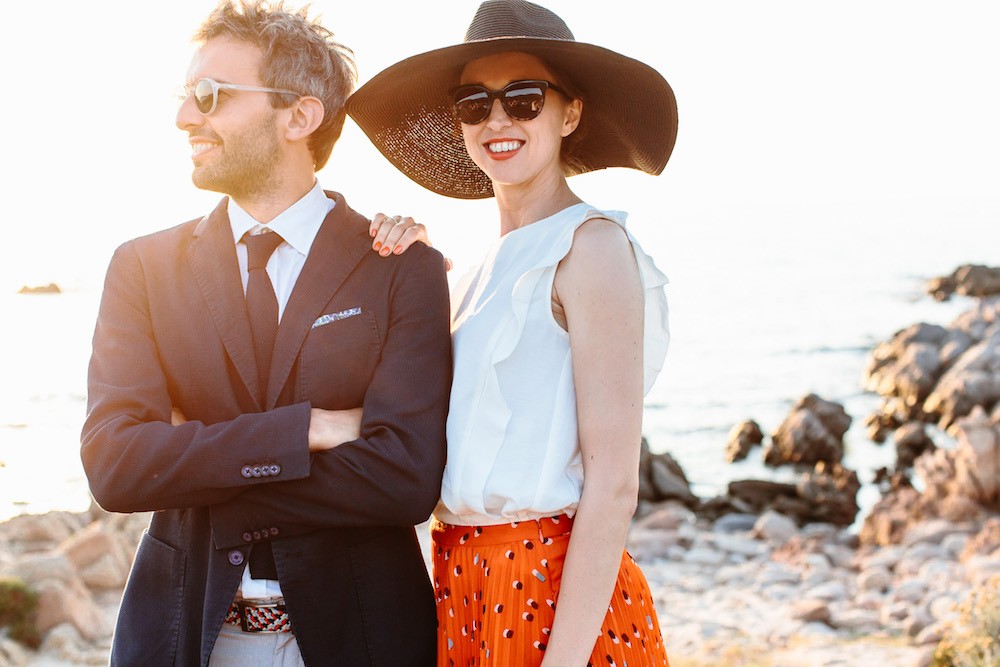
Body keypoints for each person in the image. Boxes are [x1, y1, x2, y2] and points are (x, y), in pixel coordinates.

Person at [80, 1, 451, 665]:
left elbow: (405, 477)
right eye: (187, 95)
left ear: (299, 115)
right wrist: (303, 430)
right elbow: (116, 464)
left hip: (359, 638)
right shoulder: (143, 268)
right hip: (184, 635)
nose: (185, 116)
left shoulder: (403, 268)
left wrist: (195, 462)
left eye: (210, 95)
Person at [347, 1, 676, 665]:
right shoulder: (464, 273)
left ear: (570, 112)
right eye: (475, 103)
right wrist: (412, 271)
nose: (498, 120)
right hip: (462, 588)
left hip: (553, 597)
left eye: (524, 99)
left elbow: (614, 483)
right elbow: (426, 425)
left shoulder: (592, 247)